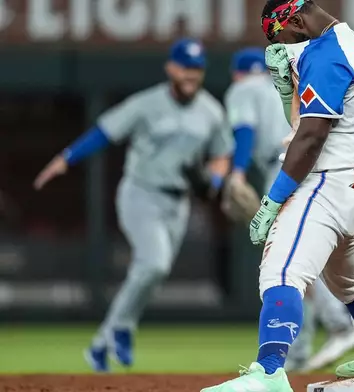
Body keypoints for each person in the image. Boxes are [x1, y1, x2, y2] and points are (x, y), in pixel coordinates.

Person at [201, 1, 354, 391]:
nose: (282, 46)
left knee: (281, 271)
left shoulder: (326, 54)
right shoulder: (350, 41)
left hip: (329, 182)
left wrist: (273, 200)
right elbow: (310, 124)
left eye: (280, 35)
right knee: (349, 282)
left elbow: (312, 137)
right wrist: (289, 93)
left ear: (297, 21)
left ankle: (268, 373)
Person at [33, 38, 233, 373]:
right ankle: (121, 329)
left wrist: (214, 180)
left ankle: (102, 342)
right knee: (153, 264)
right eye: (185, 67)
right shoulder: (146, 103)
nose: (190, 75)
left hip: (179, 203)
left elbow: (222, 155)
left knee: (153, 270)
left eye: (196, 69)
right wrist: (66, 158)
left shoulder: (211, 111)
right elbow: (104, 132)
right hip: (141, 193)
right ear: (171, 67)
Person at [225, 47, 354, 372]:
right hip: (317, 164)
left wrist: (238, 171)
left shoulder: (242, 89)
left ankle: (340, 325)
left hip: (284, 168)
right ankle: (298, 352)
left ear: (237, 73)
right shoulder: (286, 85)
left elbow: (245, 132)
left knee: (289, 258)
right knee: (301, 260)